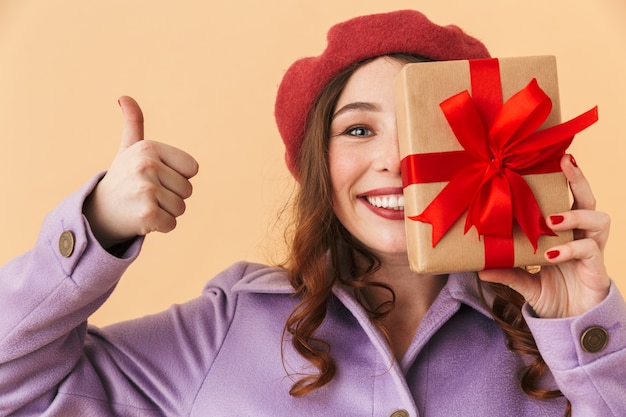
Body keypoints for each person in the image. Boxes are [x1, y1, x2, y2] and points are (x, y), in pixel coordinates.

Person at [0, 9, 624, 417]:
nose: (396, 161)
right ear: (320, 167)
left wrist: (586, 330)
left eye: (426, 129)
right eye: (358, 131)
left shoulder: (555, 343)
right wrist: (96, 229)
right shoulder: (227, 328)